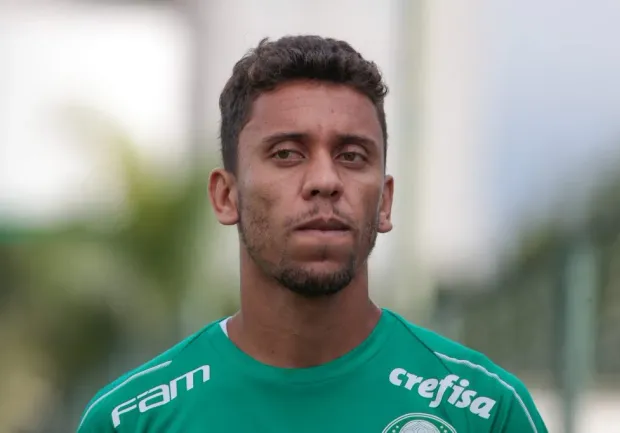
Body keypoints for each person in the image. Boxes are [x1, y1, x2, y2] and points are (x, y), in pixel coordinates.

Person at [76, 35, 548, 433]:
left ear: (384, 202)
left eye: (352, 156)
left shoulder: (486, 411)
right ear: (226, 196)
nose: (325, 180)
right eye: (286, 154)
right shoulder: (128, 420)